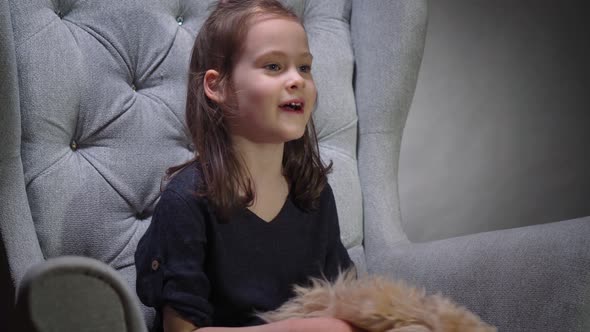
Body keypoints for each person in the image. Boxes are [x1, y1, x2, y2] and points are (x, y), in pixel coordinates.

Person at [135, 0, 356, 331]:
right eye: (273, 67)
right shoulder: (186, 203)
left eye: (305, 67)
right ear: (217, 86)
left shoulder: (314, 194)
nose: (297, 79)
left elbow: (348, 298)